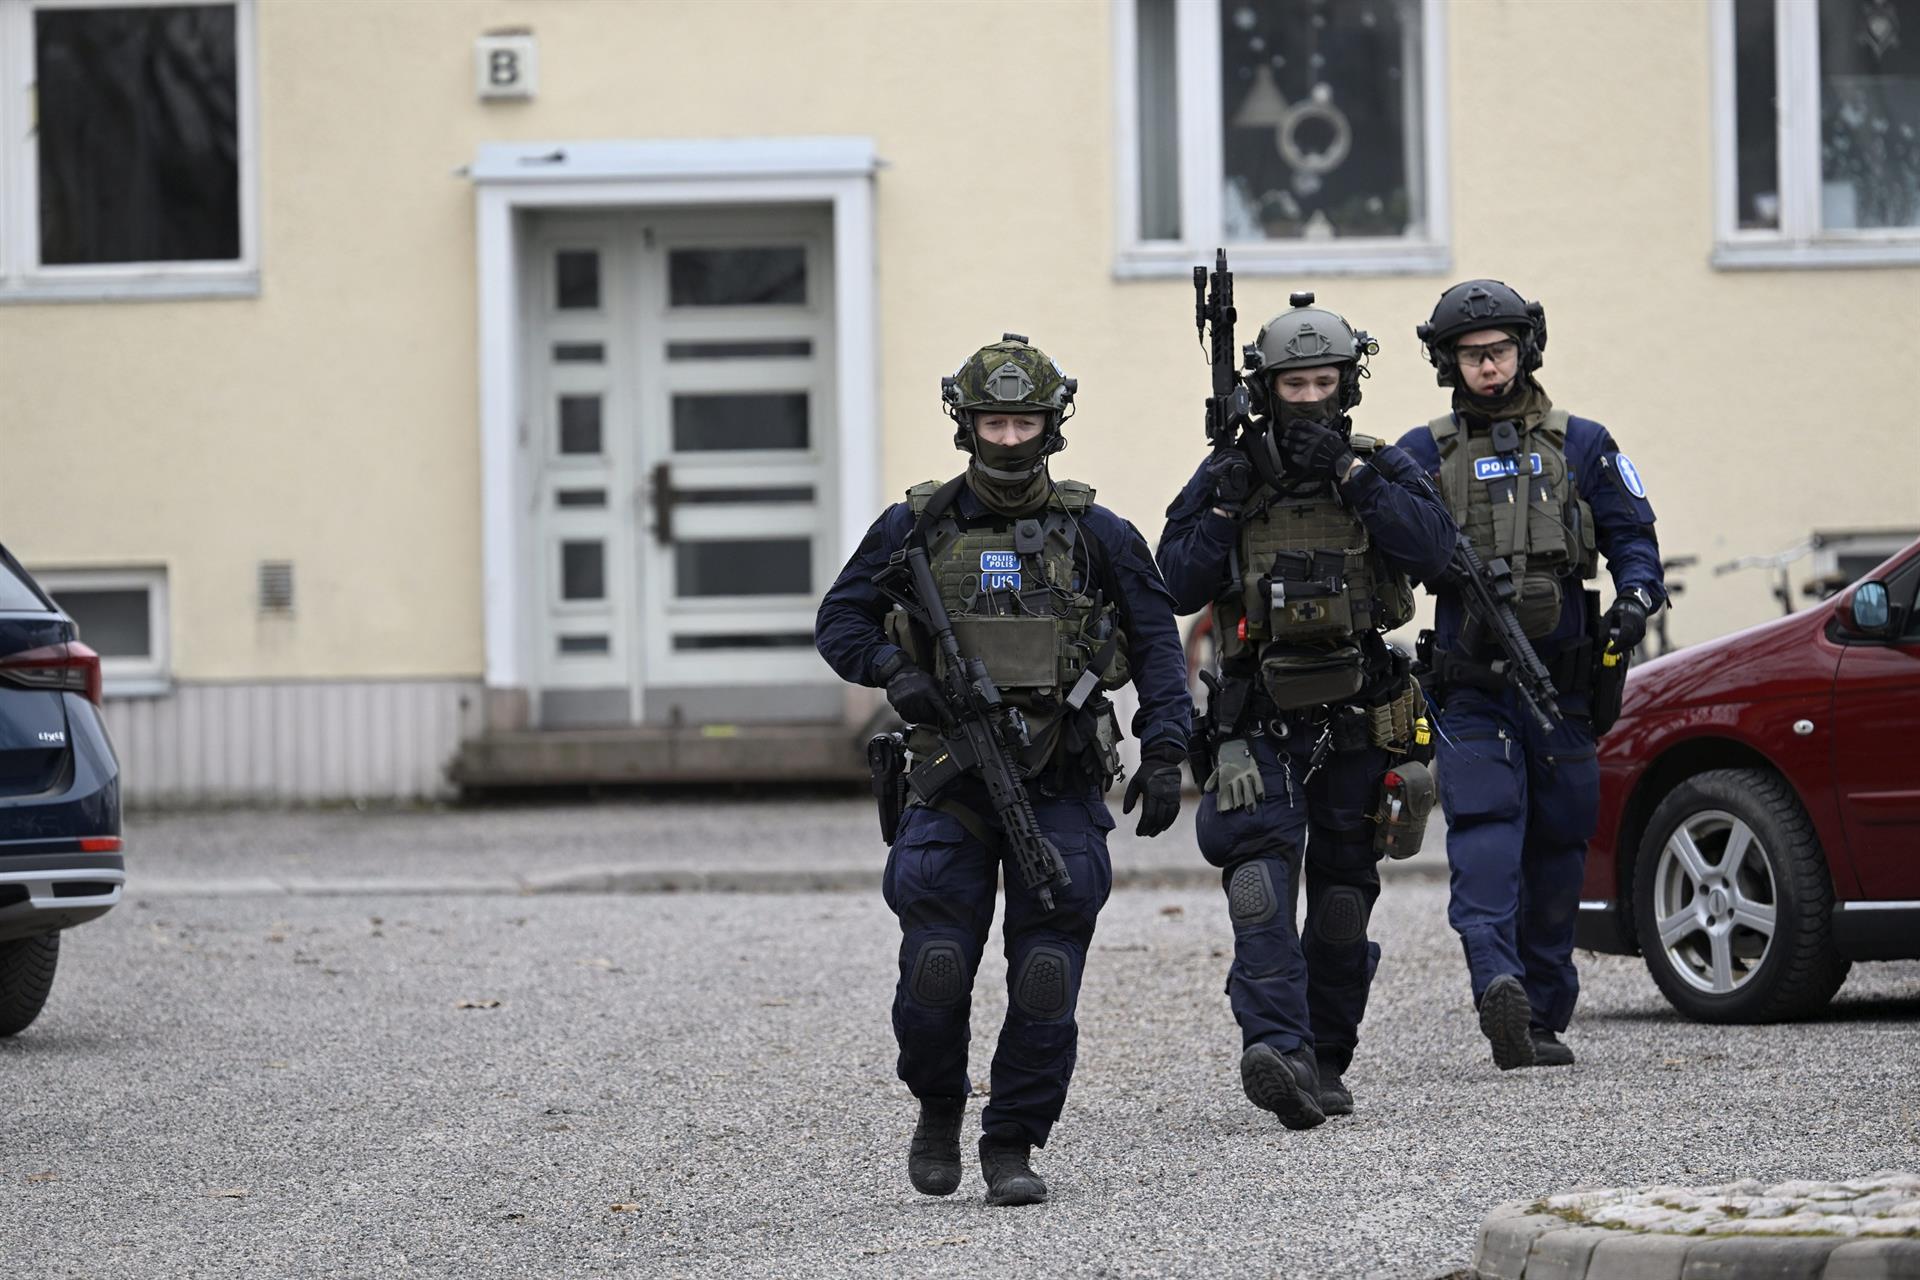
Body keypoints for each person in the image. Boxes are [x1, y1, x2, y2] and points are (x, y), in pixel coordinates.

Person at [815, 335, 1192, 1205]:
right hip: (950, 781)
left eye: (1025, 419)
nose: (1010, 437)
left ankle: (1013, 1141)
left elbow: (1157, 647)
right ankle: (940, 1106)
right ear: (967, 423)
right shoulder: (917, 524)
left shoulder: (1099, 533)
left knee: (1048, 972)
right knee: (937, 962)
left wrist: (1167, 747)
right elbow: (841, 621)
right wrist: (896, 673)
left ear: (1051, 424)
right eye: (995, 419)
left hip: (1058, 779)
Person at [1156, 294, 1453, 1127]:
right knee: (1257, 890)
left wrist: (1355, 480)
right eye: (1295, 385)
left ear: (1347, 383)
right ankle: (1275, 1050)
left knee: (1340, 905)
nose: (1311, 399)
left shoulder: (1378, 464)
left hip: (1359, 715)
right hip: (1259, 723)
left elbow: (1437, 554)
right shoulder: (1231, 475)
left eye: (1325, 381)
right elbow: (1172, 581)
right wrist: (1222, 505)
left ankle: (1326, 1056)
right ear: (1266, 387)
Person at [1395, 279, 1664, 1070]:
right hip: (1472, 685)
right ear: (1450, 362)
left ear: (1526, 350)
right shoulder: (1423, 452)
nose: (1489, 367)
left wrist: (1637, 599)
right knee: (1484, 829)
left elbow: (1633, 537)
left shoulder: (1582, 443)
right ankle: (1497, 981)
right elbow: (1383, 552)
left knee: (1559, 845)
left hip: (1565, 683)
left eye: (1500, 351)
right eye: (1474, 355)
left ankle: (1542, 1016)